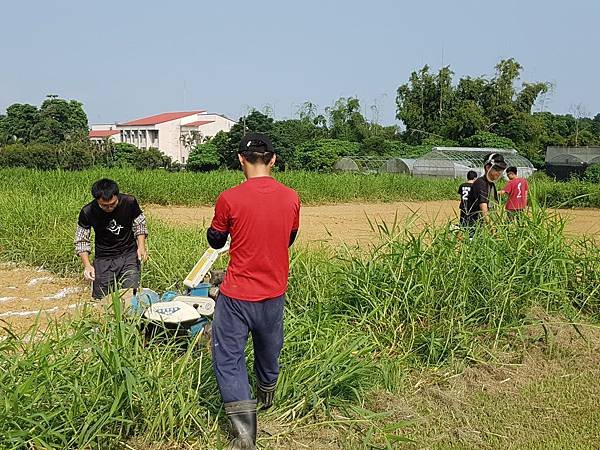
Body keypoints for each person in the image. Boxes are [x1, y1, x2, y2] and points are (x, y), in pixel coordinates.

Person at [207, 133, 300, 450]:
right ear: (273, 160)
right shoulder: (291, 197)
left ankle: (246, 438)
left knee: (229, 361)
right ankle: (267, 398)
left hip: (236, 296)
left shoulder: (229, 198)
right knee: (268, 349)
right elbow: (289, 238)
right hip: (274, 292)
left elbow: (216, 241)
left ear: (240, 160)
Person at [74, 178, 148, 300]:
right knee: (101, 298)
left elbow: (139, 224)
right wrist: (87, 265)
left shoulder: (129, 202)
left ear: (117, 196)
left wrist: (141, 246)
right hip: (104, 257)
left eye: (113, 204)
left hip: (128, 253)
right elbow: (82, 240)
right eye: (104, 206)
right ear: (97, 200)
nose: (109, 208)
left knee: (131, 294)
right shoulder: (88, 212)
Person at [465, 153, 508, 228]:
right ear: (488, 167)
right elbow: (483, 207)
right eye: (497, 169)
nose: (499, 173)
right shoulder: (480, 183)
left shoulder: (491, 184)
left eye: (501, 170)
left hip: (484, 225)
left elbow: (494, 205)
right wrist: (491, 226)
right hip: (475, 225)